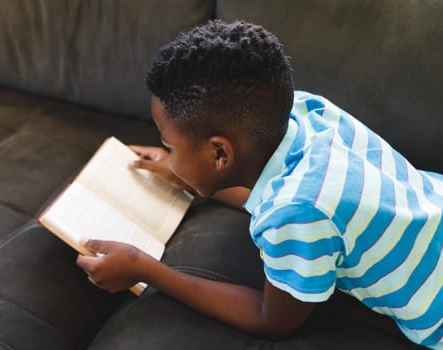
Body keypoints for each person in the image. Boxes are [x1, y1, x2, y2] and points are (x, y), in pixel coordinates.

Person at [76, 20, 443, 348]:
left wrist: (145, 268)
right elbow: (273, 186)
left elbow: (273, 320)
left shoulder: (296, 215)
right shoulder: (307, 112)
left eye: (171, 147)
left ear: (220, 155)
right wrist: (183, 174)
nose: (168, 154)